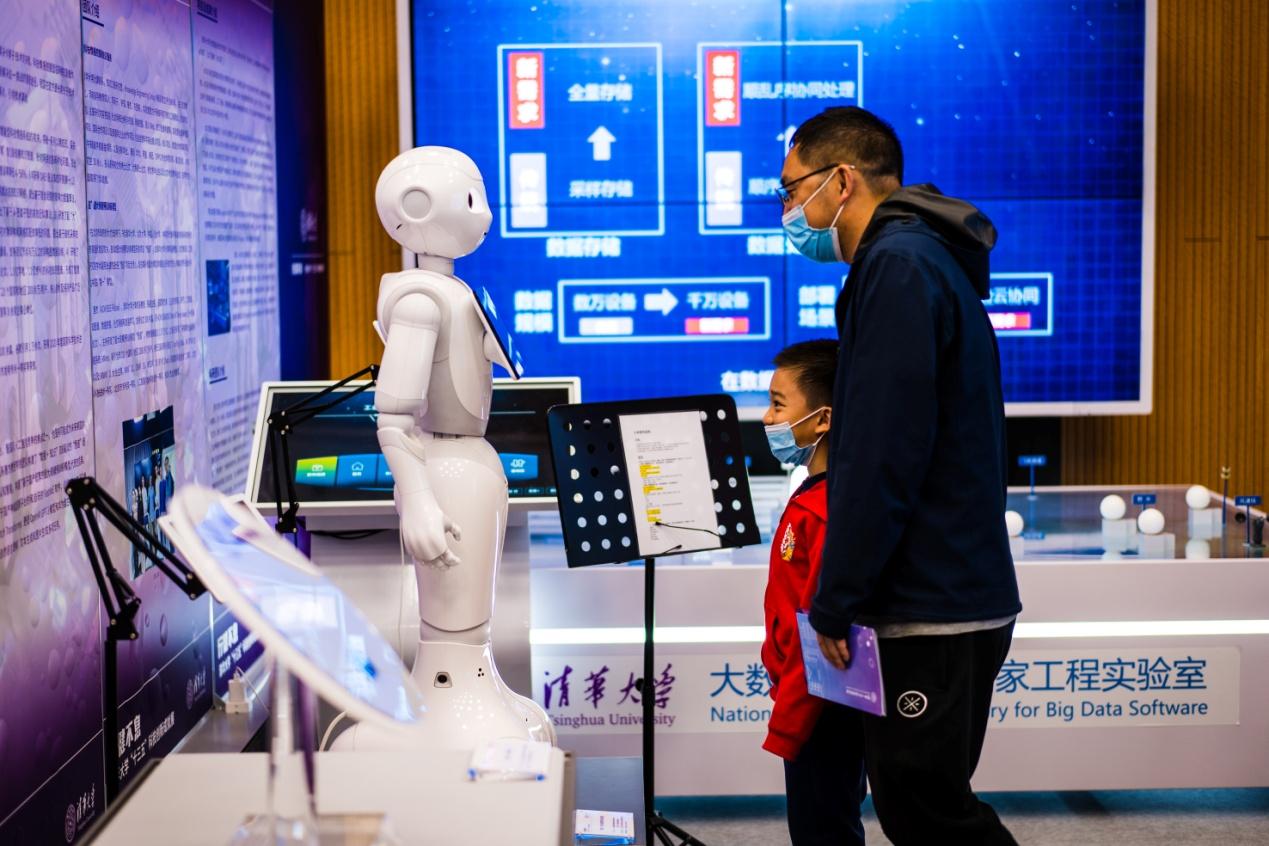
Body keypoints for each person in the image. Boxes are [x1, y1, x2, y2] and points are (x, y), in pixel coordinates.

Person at [778, 105, 1022, 845]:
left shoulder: (897, 266)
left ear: (841, 181)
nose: (788, 210)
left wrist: (836, 599)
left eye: (792, 190)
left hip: (930, 600)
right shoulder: (917, 259)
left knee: (928, 812)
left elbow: (883, 453)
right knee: (923, 804)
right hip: (944, 589)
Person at [759, 339, 867, 846]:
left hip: (820, 707)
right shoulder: (813, 494)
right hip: (809, 701)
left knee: (823, 829)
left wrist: (789, 723)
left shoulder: (827, 509)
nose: (767, 418)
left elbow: (819, 634)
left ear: (822, 418)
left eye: (778, 404)